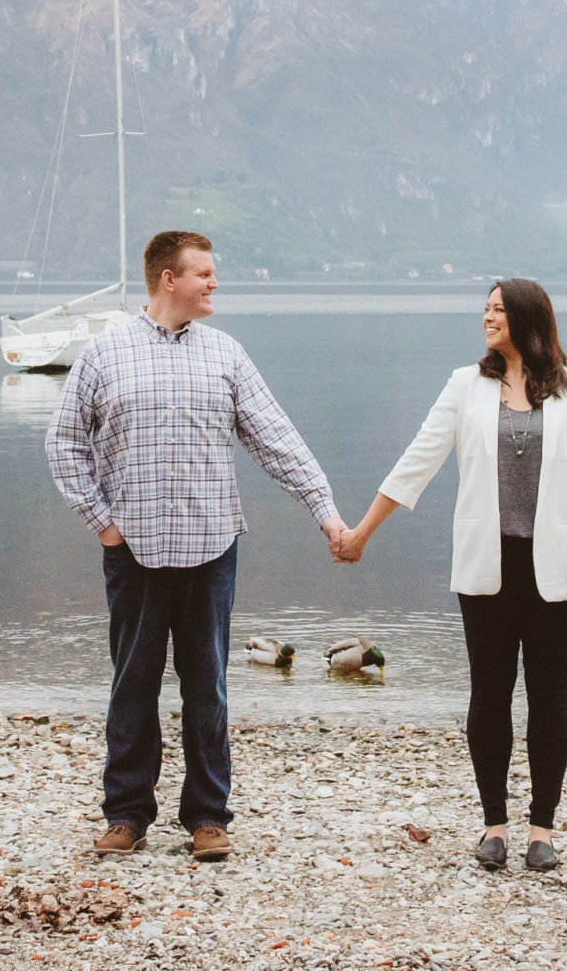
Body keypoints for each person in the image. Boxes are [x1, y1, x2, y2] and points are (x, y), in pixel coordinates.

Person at [45, 229, 349, 863]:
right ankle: (126, 815)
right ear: (168, 280)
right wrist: (102, 522)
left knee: (207, 686)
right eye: (204, 274)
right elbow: (63, 444)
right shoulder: (105, 354)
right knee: (133, 684)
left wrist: (325, 511)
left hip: (211, 548)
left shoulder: (226, 355)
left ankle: (208, 818)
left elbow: (277, 440)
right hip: (134, 551)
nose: (215, 283)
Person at [337, 278, 567, 872]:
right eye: (485, 309)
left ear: (529, 320)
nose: (487, 318)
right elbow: (418, 461)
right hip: (486, 569)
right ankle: (494, 827)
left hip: (554, 570)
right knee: (488, 694)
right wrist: (361, 533)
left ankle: (542, 829)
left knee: (549, 697)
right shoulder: (466, 386)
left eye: (499, 310)